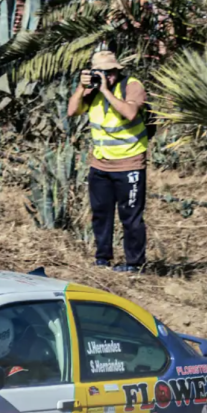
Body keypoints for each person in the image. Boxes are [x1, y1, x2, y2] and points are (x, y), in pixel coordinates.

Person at [67, 50, 149, 273]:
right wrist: (81, 87)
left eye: (110, 72)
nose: (106, 77)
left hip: (129, 163)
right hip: (100, 163)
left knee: (130, 217)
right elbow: (72, 111)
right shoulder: (92, 90)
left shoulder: (131, 85)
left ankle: (134, 264)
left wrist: (105, 90)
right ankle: (102, 258)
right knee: (101, 214)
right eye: (100, 72)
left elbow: (130, 113)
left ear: (117, 70)